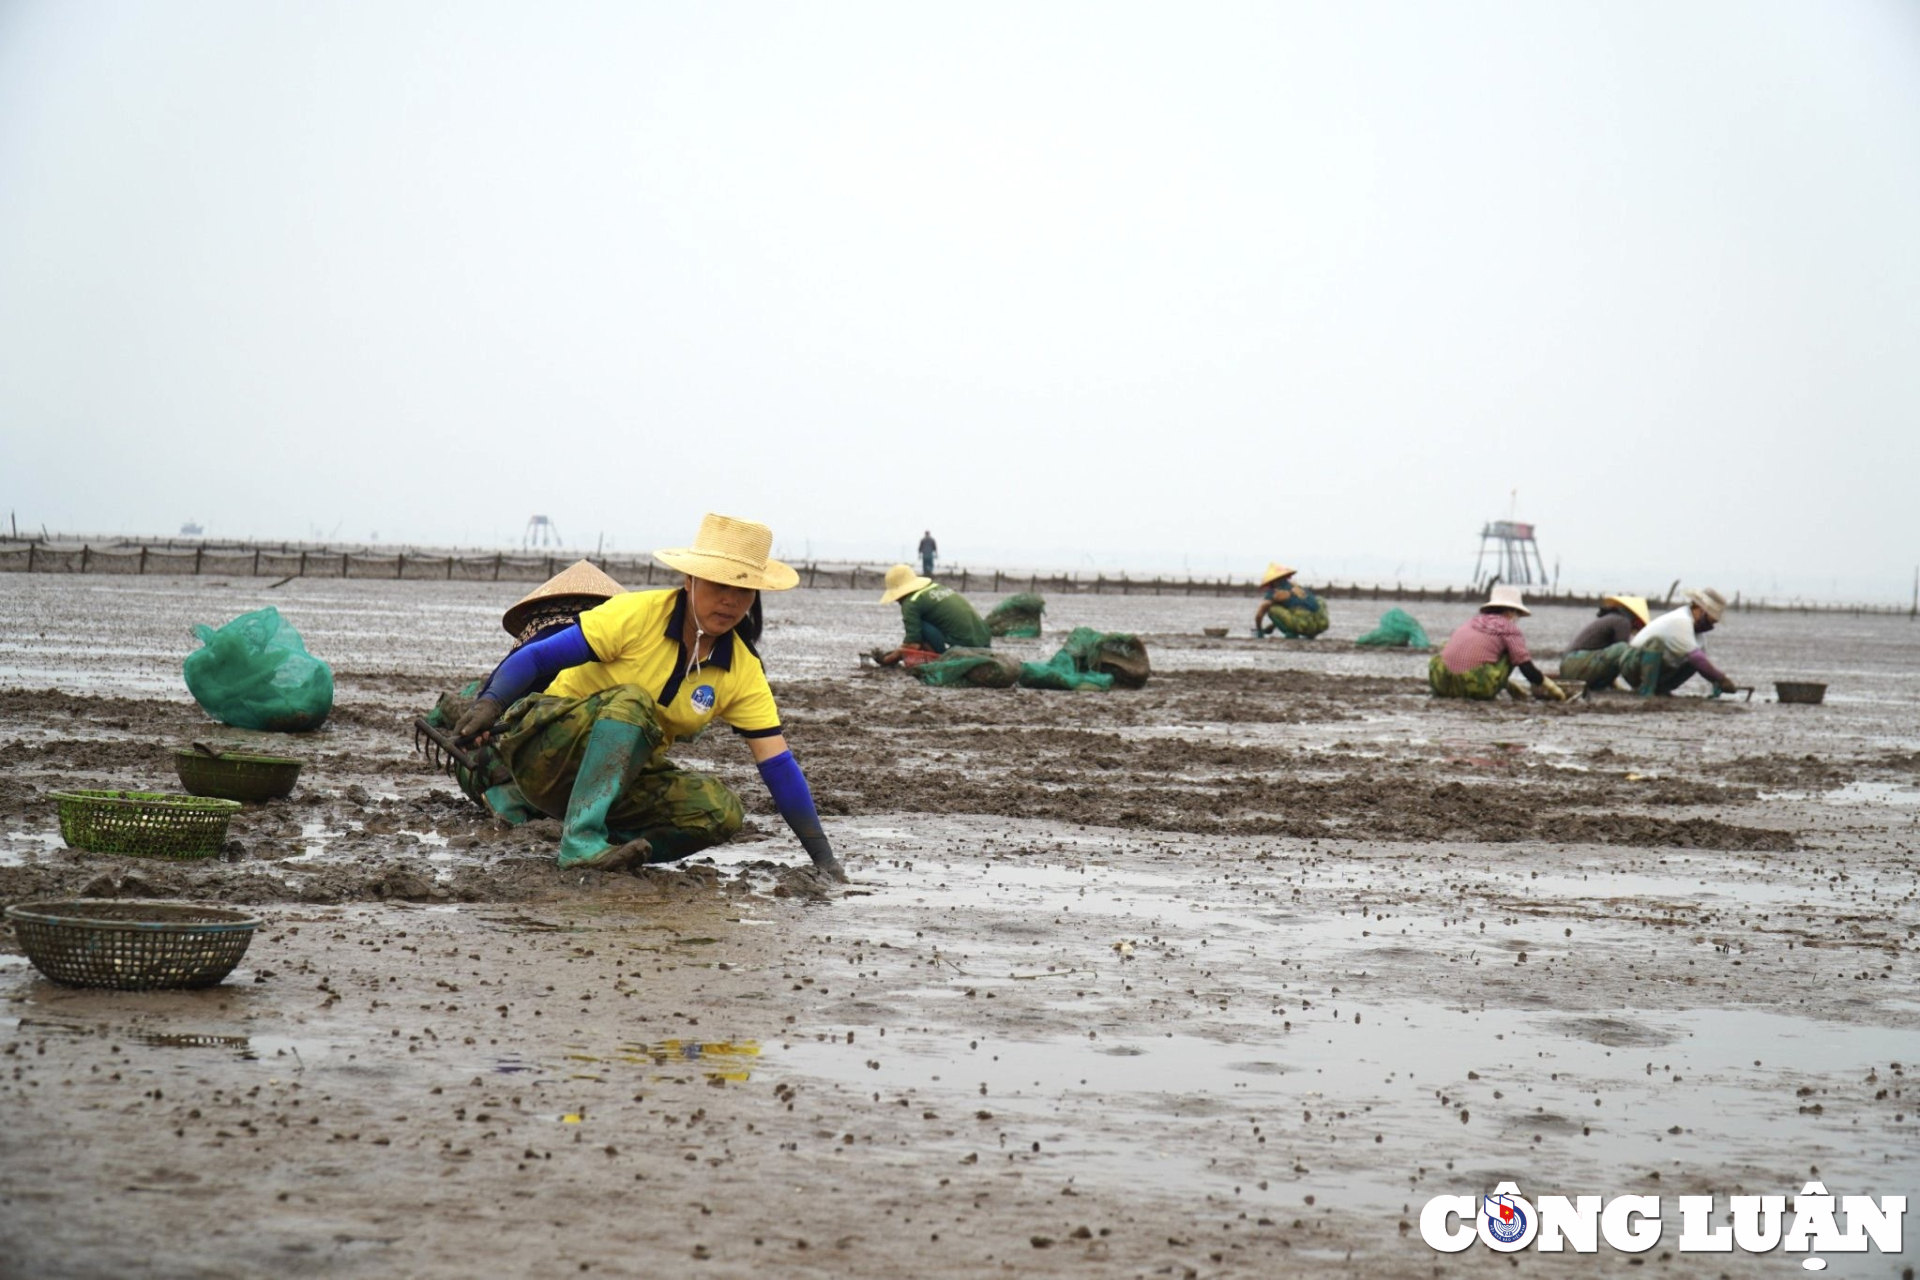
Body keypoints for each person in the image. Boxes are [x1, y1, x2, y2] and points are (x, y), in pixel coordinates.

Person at [451, 513, 844, 880]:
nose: (730, 600)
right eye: (719, 585)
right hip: (542, 749)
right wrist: (491, 702)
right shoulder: (638, 614)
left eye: (743, 590)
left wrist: (825, 860)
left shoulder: (741, 668)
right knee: (634, 703)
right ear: (690, 580)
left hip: (614, 783)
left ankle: (609, 848)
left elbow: (777, 766)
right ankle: (580, 843)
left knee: (720, 810)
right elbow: (538, 657)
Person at [1429, 585, 1567, 701]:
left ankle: (1505, 686)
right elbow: (1525, 667)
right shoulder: (1508, 628)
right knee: (1513, 653)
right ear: (1510, 612)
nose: (1516, 618)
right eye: (1517, 614)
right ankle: (1496, 687)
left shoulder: (1472, 622)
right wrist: (1552, 688)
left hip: (1441, 682)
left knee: (1449, 646)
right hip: (1474, 687)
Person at [1617, 588, 1738, 697]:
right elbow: (1696, 657)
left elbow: (1701, 663)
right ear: (1700, 610)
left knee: (1696, 662)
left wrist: (1715, 682)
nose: (1710, 626)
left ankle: (1661, 689)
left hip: (1657, 669)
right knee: (1657, 643)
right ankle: (1647, 690)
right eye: (1710, 620)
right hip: (1632, 663)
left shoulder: (1698, 637)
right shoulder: (1681, 620)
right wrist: (1721, 678)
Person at [874, 563, 991, 663]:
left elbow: (913, 644)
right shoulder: (937, 587)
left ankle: (940, 658)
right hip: (984, 641)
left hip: (963, 647)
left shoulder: (911, 603)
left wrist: (888, 658)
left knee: (921, 627)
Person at [1557, 594, 1650, 691]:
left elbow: (1610, 661)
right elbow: (1624, 656)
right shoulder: (1623, 621)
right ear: (1636, 620)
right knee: (1622, 648)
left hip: (1568, 666)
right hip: (1575, 665)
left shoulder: (1611, 618)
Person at [1253, 563, 1329, 639]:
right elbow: (1289, 612)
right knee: (1319, 599)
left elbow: (1260, 614)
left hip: (1303, 624)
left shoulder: (1275, 592)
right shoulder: (1296, 586)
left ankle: (1292, 633)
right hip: (1320, 623)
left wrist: (1259, 630)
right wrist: (1272, 627)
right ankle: (1311, 634)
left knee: (1271, 609)